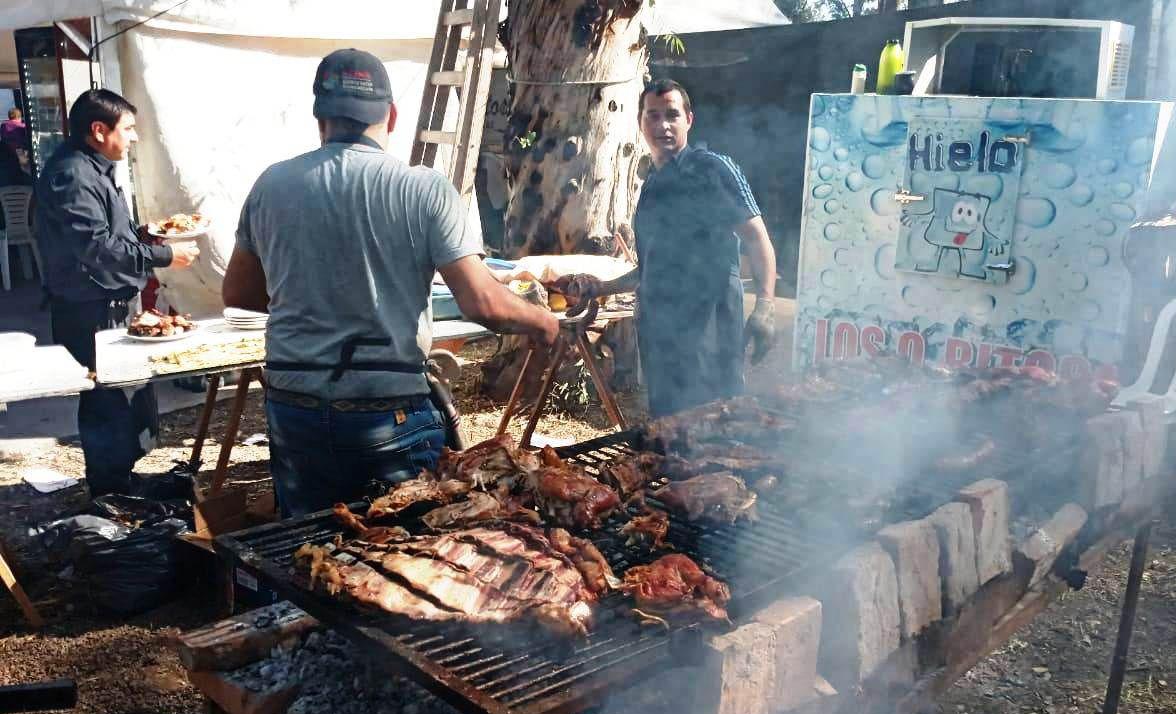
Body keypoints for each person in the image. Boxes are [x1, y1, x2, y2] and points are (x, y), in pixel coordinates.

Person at [223, 49, 559, 518]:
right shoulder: (422, 188)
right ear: (392, 116)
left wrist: (310, 292)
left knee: (306, 552)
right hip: (384, 410)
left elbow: (237, 294)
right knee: (405, 550)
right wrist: (543, 322)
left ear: (320, 116)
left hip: (293, 407)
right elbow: (483, 302)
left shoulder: (270, 185)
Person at [555, 79, 778, 417]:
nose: (662, 125)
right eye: (652, 115)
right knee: (669, 426)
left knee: (713, 425)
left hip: (709, 333)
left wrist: (766, 306)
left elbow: (756, 236)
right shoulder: (652, 185)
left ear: (689, 119)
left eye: (672, 115)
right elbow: (649, 267)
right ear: (641, 123)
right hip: (660, 335)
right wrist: (602, 287)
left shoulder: (712, 169)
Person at [35, 89, 200, 497]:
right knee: (107, 403)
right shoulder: (72, 174)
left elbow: (112, 234)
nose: (134, 137)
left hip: (112, 302)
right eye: (127, 129)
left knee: (131, 397)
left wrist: (144, 236)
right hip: (89, 309)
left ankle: (126, 482)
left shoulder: (95, 167)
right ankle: (111, 494)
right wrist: (163, 254)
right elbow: (95, 248)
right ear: (98, 130)